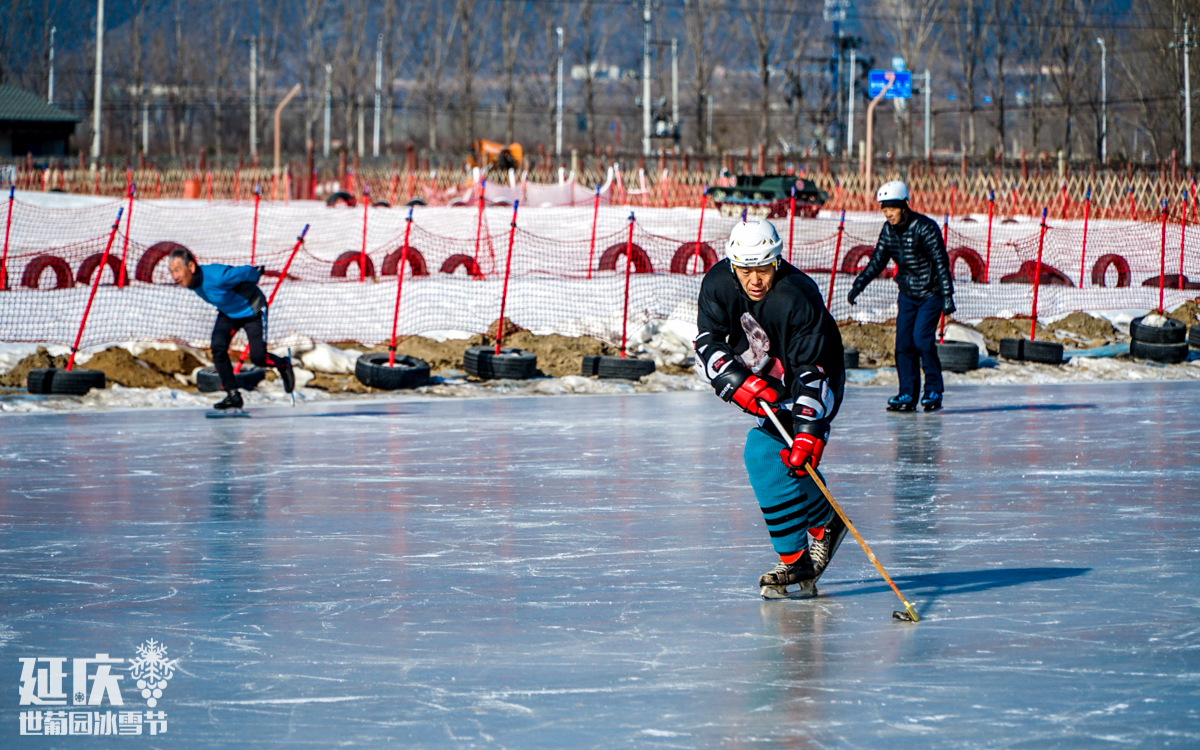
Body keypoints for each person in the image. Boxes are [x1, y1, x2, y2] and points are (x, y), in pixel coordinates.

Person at [694, 220, 848, 598]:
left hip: (812, 383)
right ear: (733, 265)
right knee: (774, 456)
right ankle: (825, 523)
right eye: (746, 270)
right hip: (763, 381)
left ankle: (796, 559)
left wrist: (810, 430)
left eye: (763, 269)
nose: (755, 280)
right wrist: (734, 380)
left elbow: (814, 370)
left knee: (769, 455)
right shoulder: (716, 283)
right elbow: (706, 342)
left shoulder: (797, 296)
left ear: (777, 261)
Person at [847, 181, 955, 412]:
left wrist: (947, 296)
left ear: (904, 206)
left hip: (931, 293)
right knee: (903, 345)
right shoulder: (888, 230)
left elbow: (941, 262)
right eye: (884, 209)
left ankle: (934, 390)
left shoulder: (925, 227)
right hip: (907, 294)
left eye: (892, 208)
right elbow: (877, 260)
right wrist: (859, 284)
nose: (888, 213)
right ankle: (907, 393)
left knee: (922, 341)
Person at [167, 247, 294, 411]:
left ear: (191, 267)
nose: (174, 276)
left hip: (253, 309)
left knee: (258, 358)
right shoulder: (191, 282)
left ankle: (283, 365)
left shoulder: (218, 276)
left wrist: (255, 274)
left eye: (177, 270)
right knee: (218, 349)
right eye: (171, 272)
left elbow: (244, 271)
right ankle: (233, 395)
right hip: (229, 313)